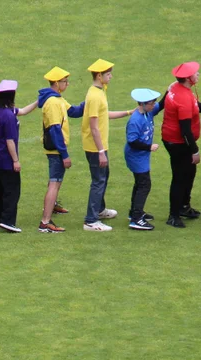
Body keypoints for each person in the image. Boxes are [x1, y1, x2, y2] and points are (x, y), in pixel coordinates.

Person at [81, 59, 135, 231]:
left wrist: (128, 112)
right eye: (108, 74)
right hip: (96, 147)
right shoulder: (95, 96)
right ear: (99, 75)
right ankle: (91, 220)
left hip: (98, 146)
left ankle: (99, 209)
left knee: (104, 177)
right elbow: (94, 127)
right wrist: (101, 151)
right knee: (98, 181)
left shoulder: (99, 90)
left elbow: (105, 115)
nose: (111, 76)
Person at [37, 66, 85, 232]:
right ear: (56, 83)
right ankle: (45, 222)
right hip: (56, 150)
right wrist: (64, 154)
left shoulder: (58, 99)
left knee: (56, 182)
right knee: (54, 183)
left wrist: (90, 101)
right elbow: (55, 130)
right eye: (65, 81)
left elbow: (74, 111)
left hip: (56, 149)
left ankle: (53, 207)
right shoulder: (52, 103)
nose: (67, 84)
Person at [161, 61, 201, 228]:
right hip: (179, 143)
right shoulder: (184, 98)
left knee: (189, 172)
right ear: (188, 78)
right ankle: (174, 215)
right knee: (180, 177)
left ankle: (184, 206)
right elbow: (185, 130)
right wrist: (194, 150)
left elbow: (196, 107)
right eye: (195, 73)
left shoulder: (176, 88)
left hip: (172, 139)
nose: (198, 75)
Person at [0, 80, 38, 233]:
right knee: (12, 189)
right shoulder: (9, 116)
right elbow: (10, 140)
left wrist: (38, 102)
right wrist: (15, 160)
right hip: (6, 159)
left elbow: (22, 111)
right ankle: (8, 221)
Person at [124, 88, 163, 231]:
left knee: (140, 183)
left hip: (141, 156)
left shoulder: (148, 112)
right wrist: (149, 147)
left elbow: (162, 105)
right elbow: (132, 141)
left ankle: (134, 212)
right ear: (143, 104)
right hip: (136, 157)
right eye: (152, 103)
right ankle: (136, 219)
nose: (154, 105)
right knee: (144, 184)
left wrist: (170, 89)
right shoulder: (135, 120)